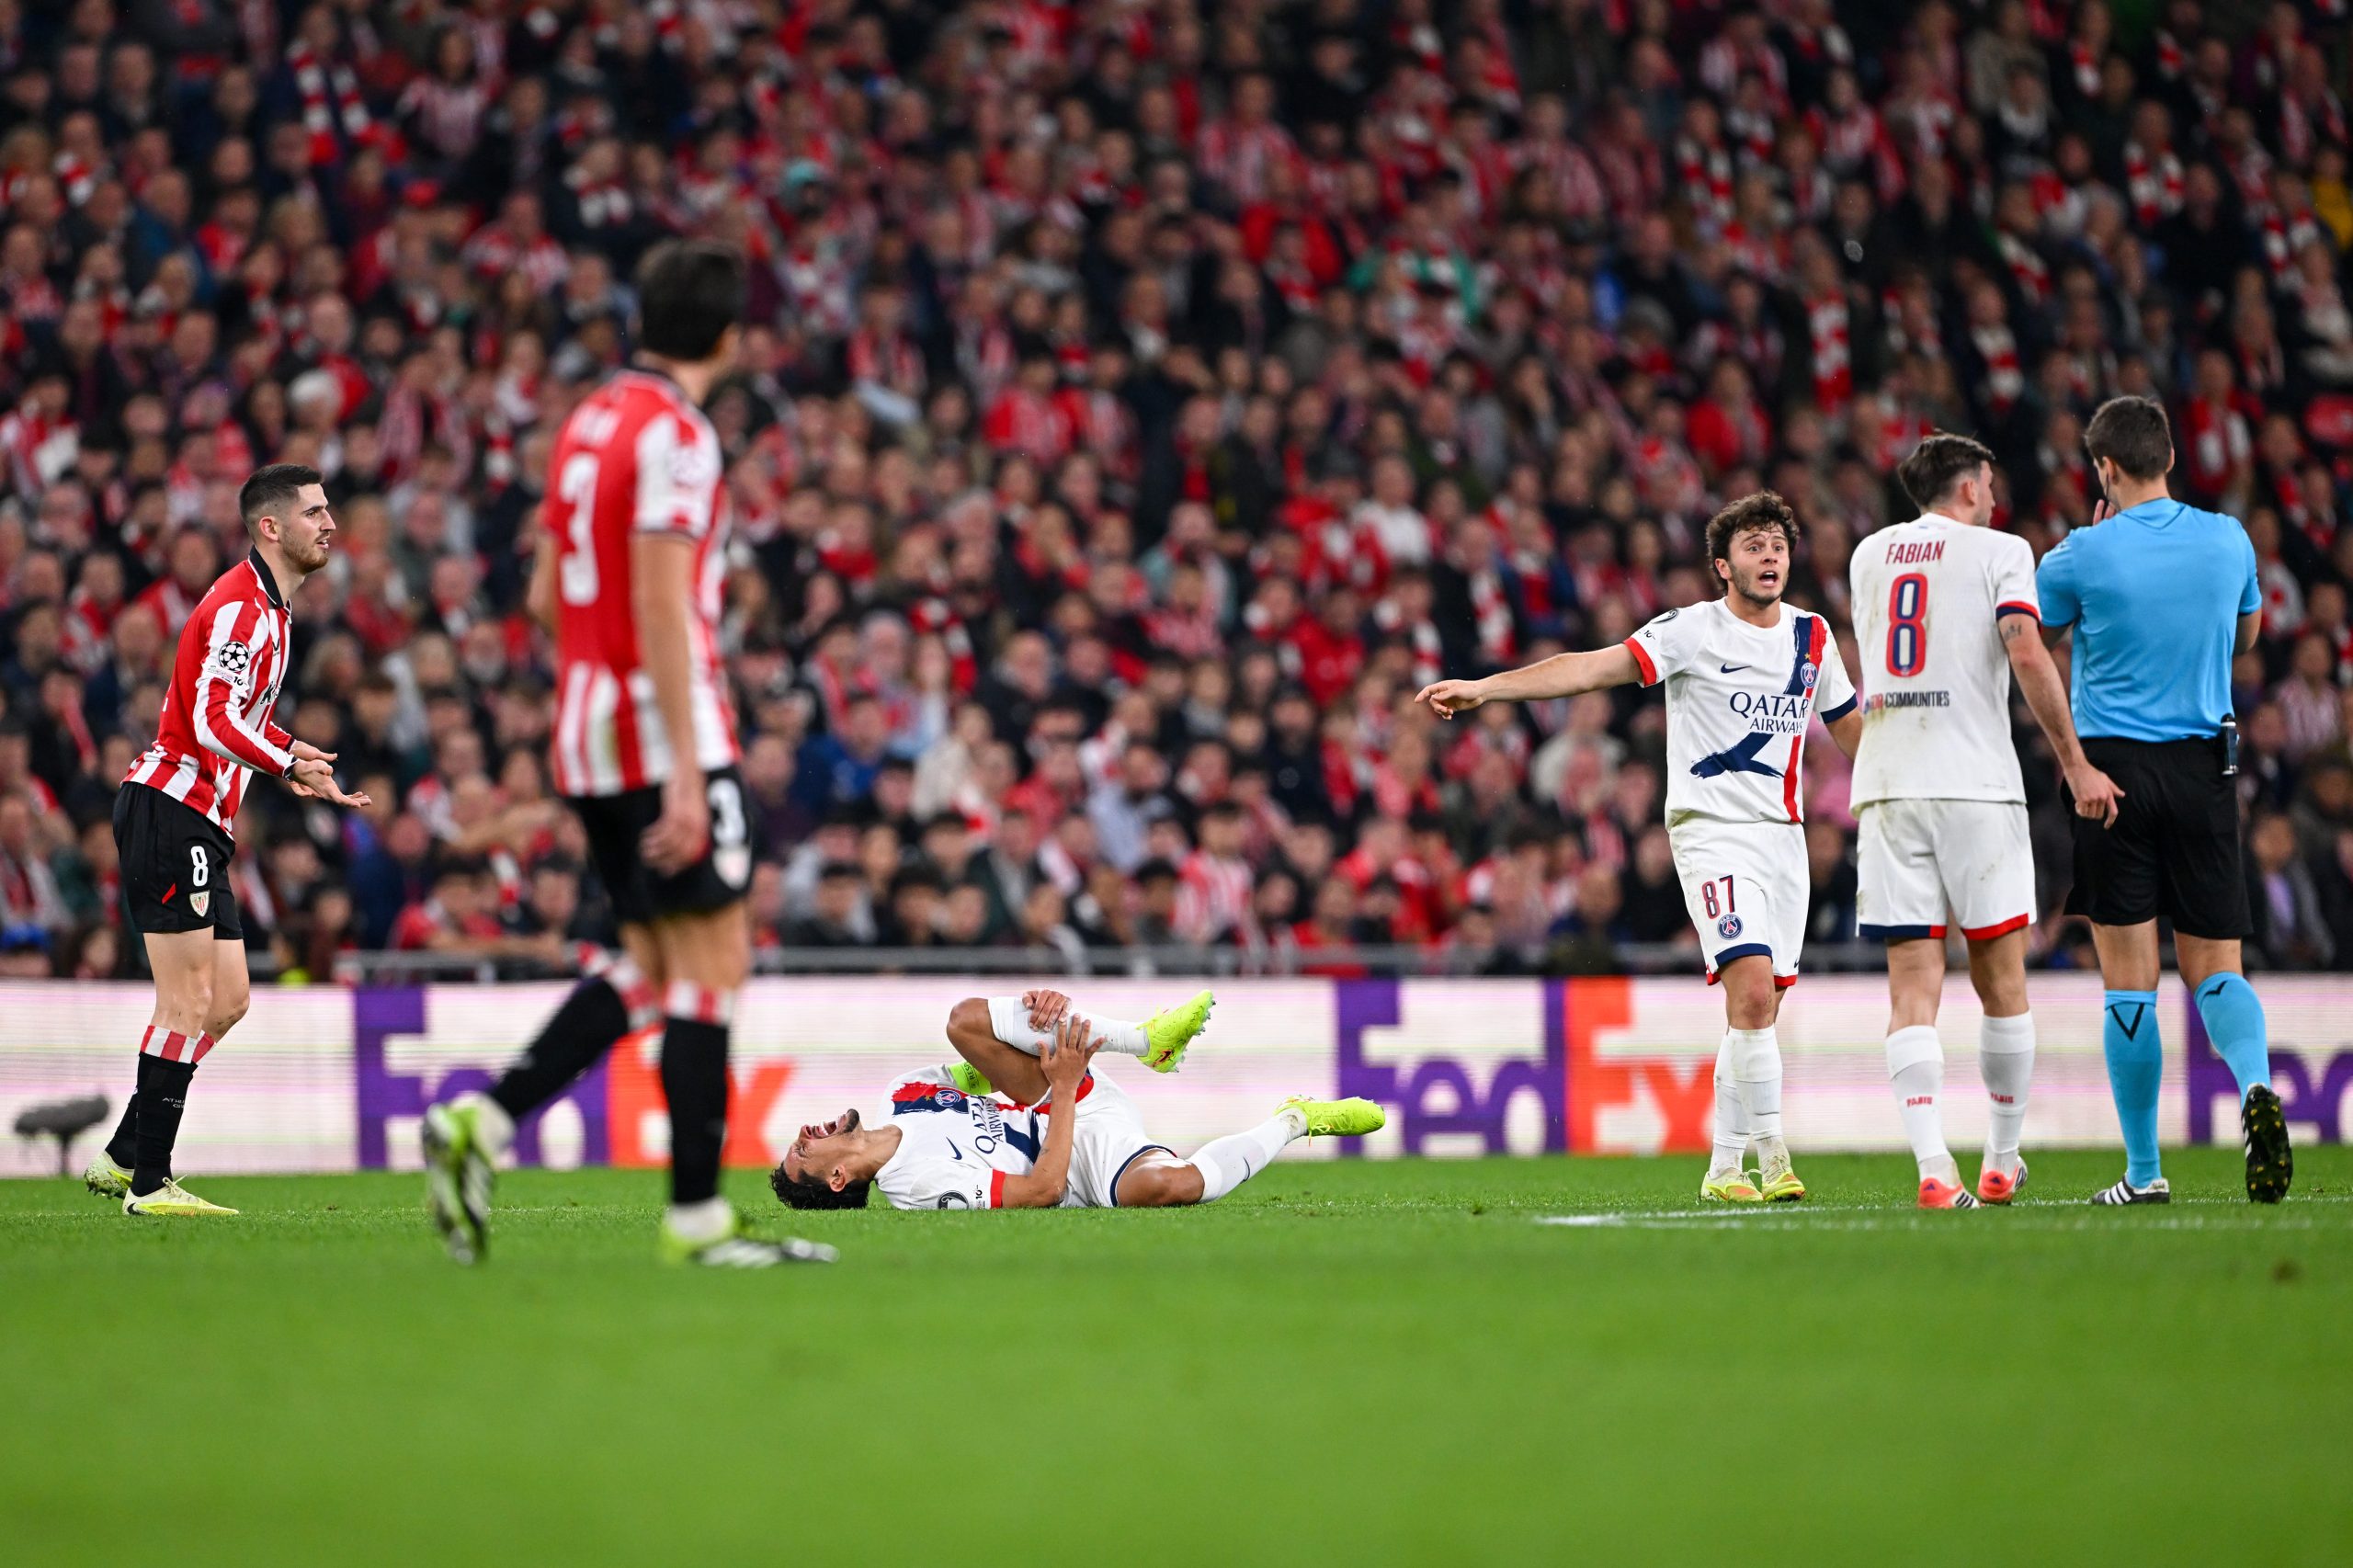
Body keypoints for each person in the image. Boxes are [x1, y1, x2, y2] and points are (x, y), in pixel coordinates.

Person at [421, 241, 829, 1267]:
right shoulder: (681, 435)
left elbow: (542, 595)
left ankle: (486, 1119)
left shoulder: (590, 421)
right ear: (731, 338)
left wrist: (597, 697)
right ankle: (696, 1220)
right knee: (714, 962)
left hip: (586, 723)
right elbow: (658, 595)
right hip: (659, 726)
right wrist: (684, 767)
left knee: (650, 961)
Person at [1416, 493, 1863, 1203]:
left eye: (1778, 544)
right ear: (1723, 565)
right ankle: (1774, 1157)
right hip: (1711, 832)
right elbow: (1591, 667)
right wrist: (1489, 689)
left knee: (1759, 1012)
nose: (1770, 555)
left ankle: (1723, 1171)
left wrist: (1902, 792)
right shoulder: (1692, 630)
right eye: (1753, 545)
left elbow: (1848, 727)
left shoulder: (1813, 638)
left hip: (1785, 840)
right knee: (1749, 991)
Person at [85, 464, 371, 1215]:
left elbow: (231, 715)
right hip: (172, 806)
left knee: (230, 999)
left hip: (201, 818)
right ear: (270, 528)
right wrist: (279, 758)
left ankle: (122, 1155)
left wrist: (292, 754)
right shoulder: (246, 608)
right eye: (314, 512)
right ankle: (151, 1184)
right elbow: (210, 721)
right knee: (186, 998)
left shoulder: (270, 611)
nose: (330, 523)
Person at [1849, 433, 2122, 1208]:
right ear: (1969, 488)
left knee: (1912, 986)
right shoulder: (2002, 550)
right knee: (2001, 980)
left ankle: (1935, 1168)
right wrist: (2073, 763)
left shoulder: (1868, 555)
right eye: (1991, 486)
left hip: (1889, 786)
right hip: (1974, 785)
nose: (1996, 499)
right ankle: (2001, 1159)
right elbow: (2026, 651)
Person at [2038, 395, 2293, 1205]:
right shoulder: (2230, 540)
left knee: (2129, 981)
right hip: (2204, 770)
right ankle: (2254, 1085)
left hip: (2110, 776)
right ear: (2172, 457)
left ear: (2105, 469)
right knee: (2216, 965)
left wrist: (2097, 547)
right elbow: (2246, 638)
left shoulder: (2079, 554)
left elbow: (2033, 639)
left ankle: (2145, 1172)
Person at [768, 988, 1382, 1210]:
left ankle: (1144, 1040)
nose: (802, 1137)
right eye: (804, 1157)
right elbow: (1043, 1190)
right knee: (1167, 1188)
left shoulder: (898, 1095)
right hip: (1073, 1147)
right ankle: (1296, 1119)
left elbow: (983, 1064)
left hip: (1060, 1086)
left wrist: (1039, 1016)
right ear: (841, 1179)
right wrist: (1061, 1089)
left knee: (964, 1021)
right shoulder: (914, 1188)